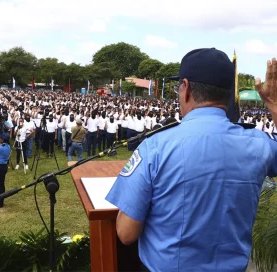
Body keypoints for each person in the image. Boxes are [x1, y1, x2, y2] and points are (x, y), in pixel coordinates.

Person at [106, 48, 277, 271]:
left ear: (185, 88)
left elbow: (126, 233)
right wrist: (273, 105)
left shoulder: (157, 146)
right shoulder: (259, 144)